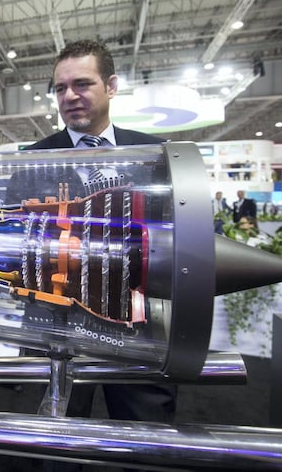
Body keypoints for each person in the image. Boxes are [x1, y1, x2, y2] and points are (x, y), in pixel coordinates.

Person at [25, 39, 176, 430]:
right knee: (53, 441)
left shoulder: (156, 153)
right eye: (60, 88)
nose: (69, 96)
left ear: (111, 86)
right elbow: (17, 243)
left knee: (148, 438)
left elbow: (184, 234)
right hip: (55, 330)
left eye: (82, 84)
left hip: (139, 327)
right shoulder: (31, 159)